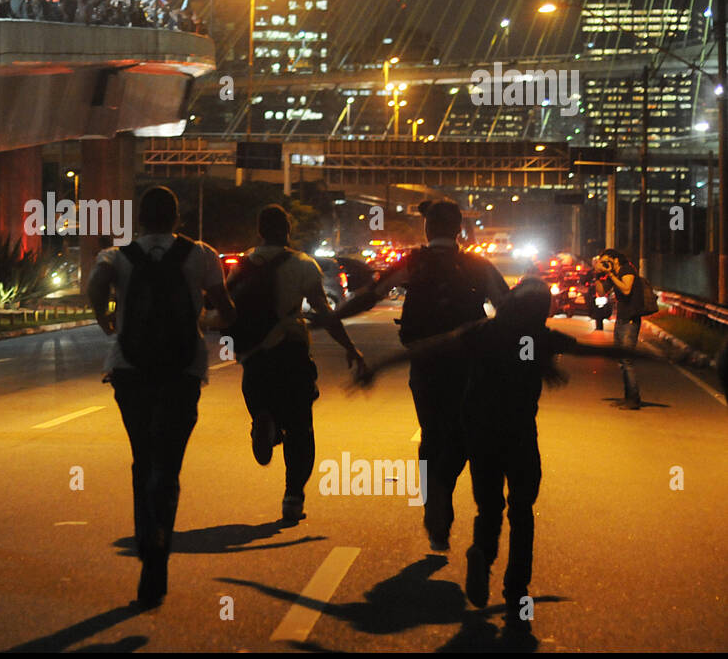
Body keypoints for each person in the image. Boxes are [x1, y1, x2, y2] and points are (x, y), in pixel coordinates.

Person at [353, 277, 658, 633]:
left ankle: (482, 553)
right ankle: (516, 593)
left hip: (479, 434)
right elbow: (601, 352)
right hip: (520, 435)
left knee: (489, 507)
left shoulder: (482, 331)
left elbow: (423, 349)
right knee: (522, 512)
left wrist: (375, 367)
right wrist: (674, 357)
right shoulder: (540, 337)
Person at [87, 186, 236, 608]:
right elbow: (226, 308)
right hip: (182, 369)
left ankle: (146, 544)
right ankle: (159, 551)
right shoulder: (201, 254)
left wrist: (106, 321)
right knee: (168, 465)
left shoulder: (116, 257)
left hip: (130, 367)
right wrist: (204, 319)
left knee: (142, 456)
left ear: (139, 218)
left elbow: (96, 288)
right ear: (176, 218)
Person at [333, 199, 509, 552]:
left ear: (427, 229)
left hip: (424, 362)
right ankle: (443, 490)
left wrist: (332, 316)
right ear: (459, 229)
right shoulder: (479, 266)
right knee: (461, 434)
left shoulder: (413, 263)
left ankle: (434, 510)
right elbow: (508, 308)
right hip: (469, 363)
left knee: (431, 434)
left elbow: (370, 296)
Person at [221, 205, 366, 524]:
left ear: (259, 231)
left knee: (262, 402)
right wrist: (350, 347)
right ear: (287, 230)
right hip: (291, 351)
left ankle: (264, 420)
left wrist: (230, 344)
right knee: (301, 428)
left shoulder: (243, 264)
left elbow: (228, 308)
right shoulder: (303, 265)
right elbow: (324, 312)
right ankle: (293, 498)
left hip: (254, 356)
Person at [594, 248, 642, 409]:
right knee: (621, 361)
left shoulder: (627, 270)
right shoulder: (612, 274)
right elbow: (602, 292)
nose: (605, 264)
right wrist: (597, 275)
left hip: (630, 320)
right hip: (621, 320)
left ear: (615, 259)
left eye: (606, 261)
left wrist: (612, 275)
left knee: (627, 361)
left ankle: (634, 400)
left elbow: (627, 289)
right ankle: (627, 396)